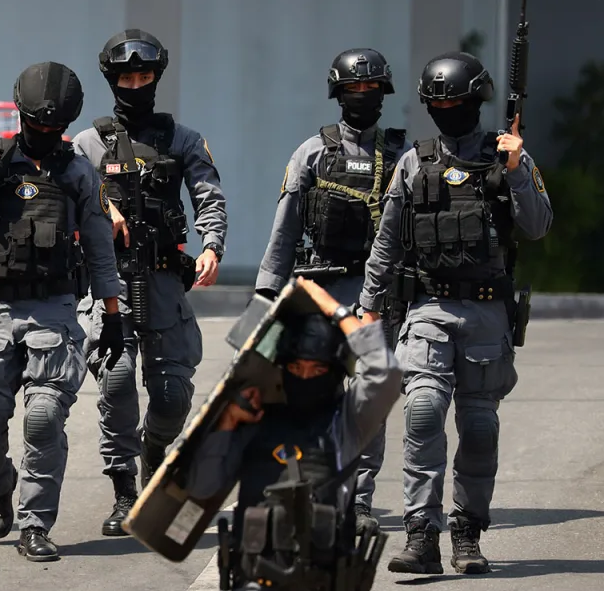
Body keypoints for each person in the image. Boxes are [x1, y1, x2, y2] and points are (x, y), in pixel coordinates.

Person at [357, 51, 552, 575]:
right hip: (428, 308)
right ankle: (421, 535)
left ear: (477, 100)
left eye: (457, 102)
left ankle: (467, 533)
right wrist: (369, 306)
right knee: (422, 413)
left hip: (487, 314)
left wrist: (516, 170)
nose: (448, 111)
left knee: (480, 428)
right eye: (438, 104)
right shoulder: (413, 162)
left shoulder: (506, 156)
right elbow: (386, 243)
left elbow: (537, 226)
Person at [0, 61, 125, 562]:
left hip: (54, 308)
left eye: (55, 126)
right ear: (21, 116)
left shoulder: (78, 172)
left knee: (44, 419)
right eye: (36, 124)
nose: (45, 133)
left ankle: (34, 525)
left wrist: (112, 315)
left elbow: (100, 248)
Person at [68, 29, 228, 535]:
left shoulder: (182, 139)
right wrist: (103, 206)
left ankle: (155, 454)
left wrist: (212, 245)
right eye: (126, 78)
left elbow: (208, 195)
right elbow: (65, 197)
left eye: (143, 77)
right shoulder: (87, 144)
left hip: (163, 282)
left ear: (156, 78)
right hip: (109, 282)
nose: (135, 85)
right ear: (112, 80)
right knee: (116, 382)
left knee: (172, 396)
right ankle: (124, 493)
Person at [254, 48, 409, 533]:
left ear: (383, 93)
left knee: (368, 402)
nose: (361, 95)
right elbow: (284, 232)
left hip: (378, 295)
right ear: (337, 94)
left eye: (370, 88)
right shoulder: (312, 153)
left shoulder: (402, 156)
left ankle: (359, 501)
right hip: (321, 292)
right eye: (352, 88)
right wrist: (265, 297)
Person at [189, 277, 402, 590]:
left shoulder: (346, 424)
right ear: (282, 368)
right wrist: (226, 425)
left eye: (317, 370)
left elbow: (386, 373)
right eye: (296, 369)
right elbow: (202, 488)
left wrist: (336, 310)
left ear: (334, 371)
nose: (305, 378)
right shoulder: (253, 419)